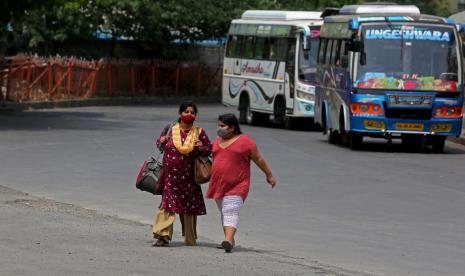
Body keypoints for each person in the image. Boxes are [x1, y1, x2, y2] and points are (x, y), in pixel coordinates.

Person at [206, 113, 276, 253]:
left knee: (230, 210)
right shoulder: (217, 140)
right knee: (224, 211)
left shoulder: (245, 142)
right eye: (218, 125)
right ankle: (230, 239)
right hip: (218, 184)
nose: (219, 129)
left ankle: (228, 240)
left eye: (222, 126)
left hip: (239, 184)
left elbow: (259, 159)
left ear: (232, 127)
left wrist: (269, 175)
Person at [152, 101, 212, 247]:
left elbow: (209, 149)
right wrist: (161, 141)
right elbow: (160, 146)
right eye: (186, 112)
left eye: (192, 112)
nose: (189, 115)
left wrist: (201, 147)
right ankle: (163, 236)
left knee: (189, 206)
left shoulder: (199, 132)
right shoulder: (170, 129)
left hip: (190, 177)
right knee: (167, 205)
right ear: (180, 114)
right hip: (171, 177)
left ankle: (190, 238)